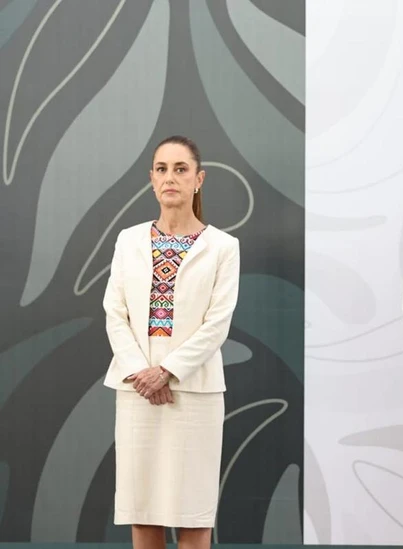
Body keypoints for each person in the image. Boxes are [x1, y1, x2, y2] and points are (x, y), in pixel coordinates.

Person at [102, 135, 240, 549]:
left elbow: (217, 324)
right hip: (136, 391)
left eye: (181, 169)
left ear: (199, 179)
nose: (170, 177)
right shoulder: (129, 241)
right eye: (162, 169)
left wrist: (166, 372)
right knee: (142, 506)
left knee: (192, 510)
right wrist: (142, 374)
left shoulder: (223, 247)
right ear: (151, 179)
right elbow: (115, 312)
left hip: (194, 392)